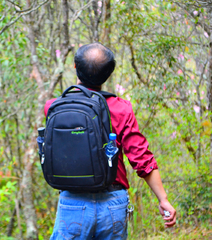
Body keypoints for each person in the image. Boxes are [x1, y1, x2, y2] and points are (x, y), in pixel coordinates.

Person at [44, 42, 176, 239]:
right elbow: (141, 158)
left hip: (72, 202)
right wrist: (163, 199)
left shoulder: (53, 107)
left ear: (75, 67)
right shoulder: (122, 109)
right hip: (113, 203)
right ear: (109, 74)